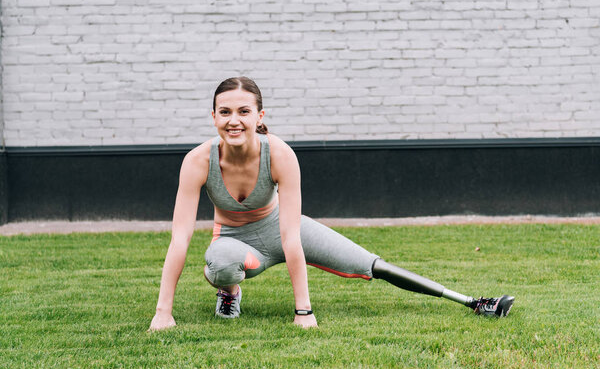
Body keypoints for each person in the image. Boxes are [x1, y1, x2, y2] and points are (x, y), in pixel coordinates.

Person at [149, 76, 514, 331]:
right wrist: (163, 312)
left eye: (244, 111)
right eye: (224, 112)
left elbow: (292, 236)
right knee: (221, 263)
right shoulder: (198, 161)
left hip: (279, 229)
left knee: (372, 264)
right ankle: (229, 293)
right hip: (235, 241)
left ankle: (473, 302)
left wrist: (303, 310)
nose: (234, 120)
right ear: (213, 116)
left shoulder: (280, 155)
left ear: (260, 117)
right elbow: (179, 239)